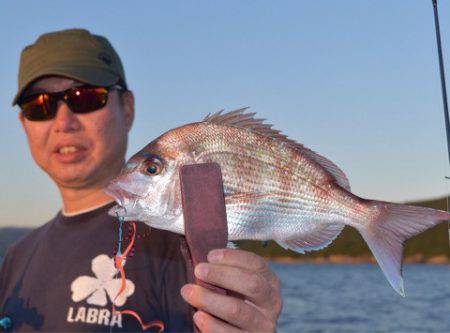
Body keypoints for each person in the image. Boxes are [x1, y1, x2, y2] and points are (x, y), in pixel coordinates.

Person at [0, 29, 282, 332]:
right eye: (38, 106)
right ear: (24, 124)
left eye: (85, 98)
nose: (64, 122)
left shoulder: (188, 240)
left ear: (128, 109)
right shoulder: (16, 257)